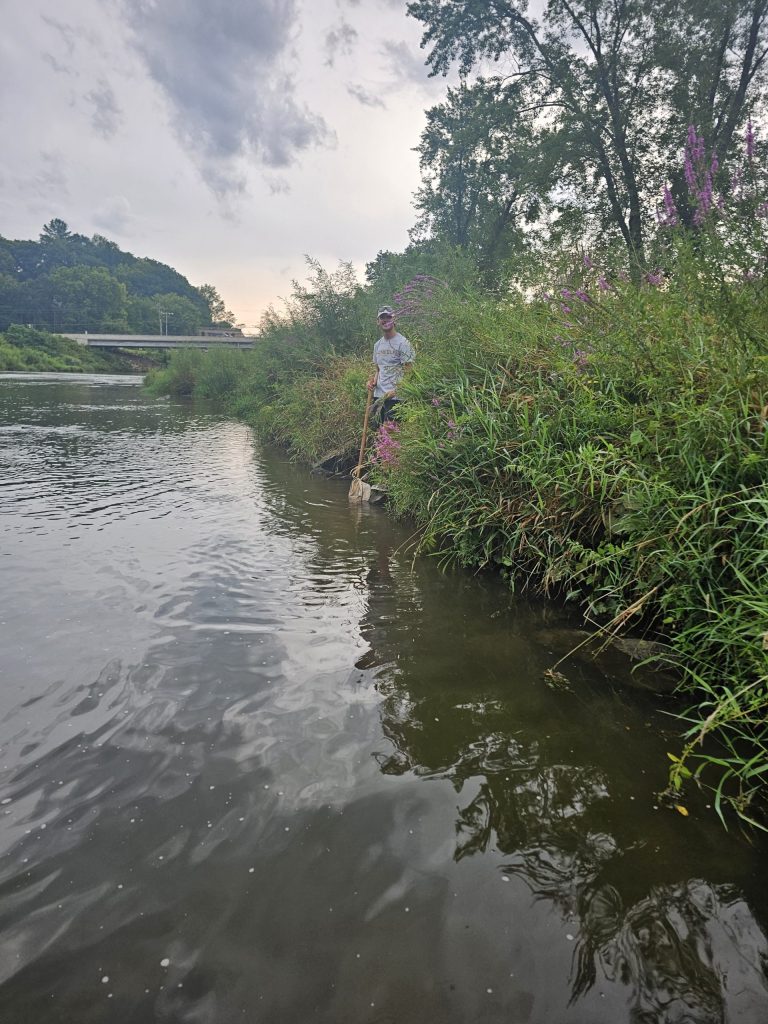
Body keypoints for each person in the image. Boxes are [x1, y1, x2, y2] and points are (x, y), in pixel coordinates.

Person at [367, 306, 415, 422]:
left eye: (388, 317)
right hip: (379, 397)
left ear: (394, 320)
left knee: (391, 435)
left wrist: (396, 391)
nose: (385, 320)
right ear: (378, 322)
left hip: (396, 399)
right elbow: (378, 370)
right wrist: (371, 382)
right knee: (378, 434)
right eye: (382, 317)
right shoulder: (377, 345)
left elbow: (410, 373)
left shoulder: (403, 343)